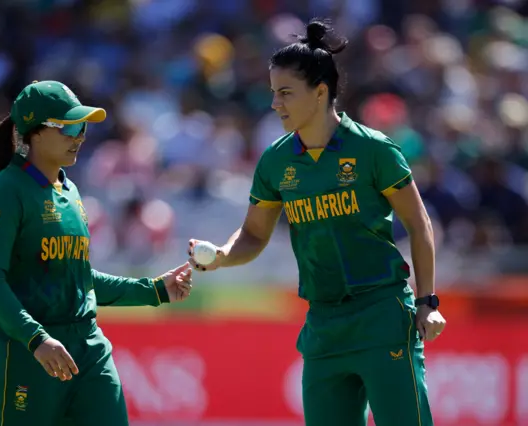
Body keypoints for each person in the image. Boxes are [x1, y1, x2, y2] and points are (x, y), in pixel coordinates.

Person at [188, 20, 446, 426]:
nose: (275, 104)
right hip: (323, 324)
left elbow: (419, 224)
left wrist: (428, 301)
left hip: (381, 314)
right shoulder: (275, 160)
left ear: (321, 91)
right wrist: (222, 255)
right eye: (273, 93)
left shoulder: (374, 149)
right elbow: (254, 233)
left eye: (286, 93)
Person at [0, 80, 193, 426]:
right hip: (29, 352)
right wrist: (36, 338)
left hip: (89, 349)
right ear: (35, 132)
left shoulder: (71, 191)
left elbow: (79, 280)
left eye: (83, 127)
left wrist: (155, 290)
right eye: (70, 127)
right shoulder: (7, 190)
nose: (80, 136)